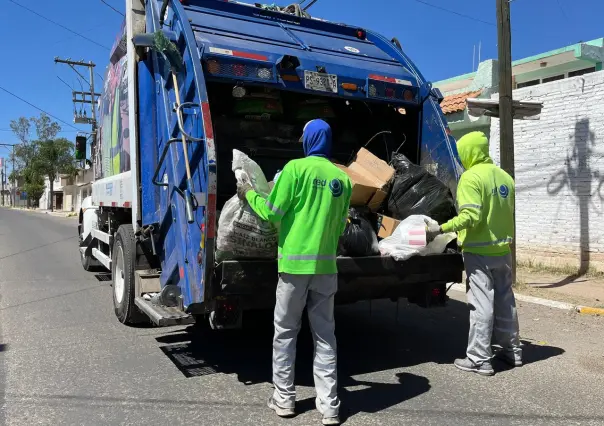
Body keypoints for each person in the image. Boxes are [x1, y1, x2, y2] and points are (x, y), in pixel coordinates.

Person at [237, 119, 352, 425]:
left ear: (309, 140)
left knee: (286, 333)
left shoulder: (294, 169)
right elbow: (341, 227)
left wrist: (248, 193)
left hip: (294, 269)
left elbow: (270, 213)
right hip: (326, 268)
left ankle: (284, 400)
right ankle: (330, 407)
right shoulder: (343, 179)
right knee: (325, 336)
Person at [425, 131, 521, 376]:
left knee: (481, 304)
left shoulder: (471, 178)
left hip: (479, 251)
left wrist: (440, 229)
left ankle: (479, 358)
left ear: (468, 152)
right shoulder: (505, 178)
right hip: (503, 249)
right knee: (505, 300)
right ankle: (512, 352)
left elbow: (471, 216)